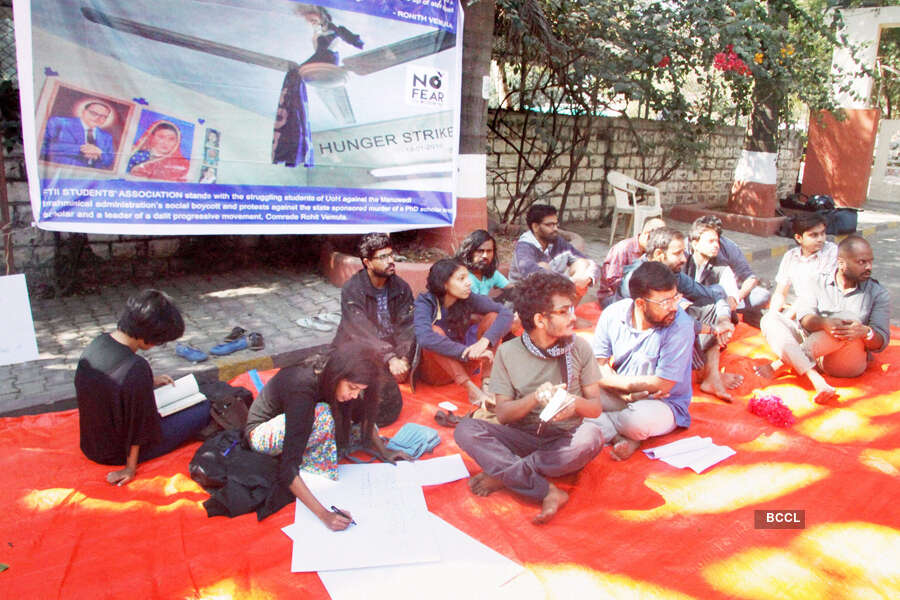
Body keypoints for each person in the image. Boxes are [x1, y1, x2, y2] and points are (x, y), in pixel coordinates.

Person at [454, 272, 609, 524]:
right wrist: (535, 398)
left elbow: (595, 408)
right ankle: (546, 490)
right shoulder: (508, 351)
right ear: (540, 319)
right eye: (563, 312)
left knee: (591, 437)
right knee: (465, 430)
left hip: (563, 440)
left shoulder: (579, 348)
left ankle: (507, 474)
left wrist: (572, 403)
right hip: (521, 436)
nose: (573, 317)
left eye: (572, 309)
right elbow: (503, 414)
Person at [245, 343, 412, 528]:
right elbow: (288, 467)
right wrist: (325, 515)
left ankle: (316, 452)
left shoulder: (335, 380)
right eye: (352, 387)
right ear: (339, 376)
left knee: (353, 422)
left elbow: (362, 418)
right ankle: (313, 468)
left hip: (302, 422)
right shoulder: (302, 388)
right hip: (262, 434)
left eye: (359, 389)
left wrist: (384, 451)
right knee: (324, 414)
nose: (355, 395)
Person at [74, 290, 210, 485]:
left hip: (91, 444)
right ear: (149, 337)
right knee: (204, 408)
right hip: (115, 453)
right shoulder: (135, 368)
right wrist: (129, 468)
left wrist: (149, 381)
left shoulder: (99, 342)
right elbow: (137, 428)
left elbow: (107, 384)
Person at [755, 236, 889, 404]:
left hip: (843, 360)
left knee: (847, 319)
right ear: (841, 263)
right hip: (812, 343)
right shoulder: (817, 281)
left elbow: (881, 340)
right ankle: (815, 377)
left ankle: (785, 362)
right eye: (862, 262)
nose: (869, 267)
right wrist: (824, 323)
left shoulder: (877, 293)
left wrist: (865, 332)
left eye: (870, 262)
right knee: (770, 318)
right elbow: (804, 318)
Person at [589, 262, 694, 460]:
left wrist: (612, 383)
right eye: (664, 302)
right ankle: (620, 436)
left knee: (636, 421)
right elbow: (597, 364)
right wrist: (624, 391)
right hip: (618, 392)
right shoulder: (613, 314)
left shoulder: (681, 325)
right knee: (572, 392)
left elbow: (662, 384)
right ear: (640, 303)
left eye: (675, 298)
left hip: (663, 402)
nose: (673, 307)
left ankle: (612, 427)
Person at [620, 228, 741, 401]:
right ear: (659, 254)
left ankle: (711, 375)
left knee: (718, 311)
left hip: (667, 326)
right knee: (679, 318)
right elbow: (654, 321)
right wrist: (709, 328)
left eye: (683, 253)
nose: (684, 259)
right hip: (642, 337)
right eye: (677, 253)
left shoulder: (673, 274)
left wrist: (722, 319)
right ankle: (697, 372)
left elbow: (714, 294)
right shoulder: (636, 278)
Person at [332, 233, 415, 425]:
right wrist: (390, 358)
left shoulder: (401, 287)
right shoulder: (352, 289)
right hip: (358, 348)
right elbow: (360, 331)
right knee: (378, 402)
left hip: (391, 352)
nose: (391, 261)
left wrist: (403, 358)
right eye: (383, 257)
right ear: (367, 262)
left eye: (391, 255)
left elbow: (407, 326)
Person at [414, 258, 513, 405]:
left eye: (467, 277)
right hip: (437, 371)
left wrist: (484, 341)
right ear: (444, 284)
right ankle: (472, 391)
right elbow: (424, 338)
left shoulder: (467, 297)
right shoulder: (425, 302)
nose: (469, 282)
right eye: (461, 279)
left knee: (494, 317)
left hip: (465, 363)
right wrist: (465, 351)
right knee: (434, 333)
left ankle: (487, 382)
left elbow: (506, 313)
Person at [688, 216, 770, 327]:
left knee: (761, 295)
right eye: (710, 241)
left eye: (716, 239)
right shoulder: (682, 255)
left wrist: (734, 299)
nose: (715, 245)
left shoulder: (725, 256)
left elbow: (748, 279)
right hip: (689, 303)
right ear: (695, 244)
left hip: (717, 300)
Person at [508, 203, 599, 301]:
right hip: (523, 298)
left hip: (553, 291)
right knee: (543, 267)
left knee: (582, 264)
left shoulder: (557, 241)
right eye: (549, 225)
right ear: (535, 227)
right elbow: (534, 274)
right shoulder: (524, 247)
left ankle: (568, 313)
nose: (555, 229)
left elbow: (589, 262)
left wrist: (587, 278)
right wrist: (570, 281)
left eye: (556, 224)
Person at [766, 212, 837, 317]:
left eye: (823, 233)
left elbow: (812, 294)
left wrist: (786, 319)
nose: (820, 239)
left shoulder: (832, 252)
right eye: (814, 235)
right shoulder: (790, 256)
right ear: (799, 238)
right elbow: (780, 292)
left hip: (824, 311)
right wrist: (772, 315)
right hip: (800, 308)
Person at [596, 216, 666, 306]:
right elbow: (613, 281)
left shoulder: (651, 250)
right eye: (655, 242)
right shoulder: (623, 249)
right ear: (646, 234)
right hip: (613, 297)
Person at [41, 99, 115, 168]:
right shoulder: (59, 123)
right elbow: (41, 147)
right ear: (83, 112)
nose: (98, 118)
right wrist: (80, 149)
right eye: (94, 113)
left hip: (91, 177)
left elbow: (109, 161)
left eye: (103, 116)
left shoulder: (106, 137)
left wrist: (100, 153)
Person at [456, 229, 511, 297]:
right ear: (469, 252)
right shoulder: (460, 275)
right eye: (480, 251)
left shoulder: (491, 272)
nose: (485, 256)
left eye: (489, 251)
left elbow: (512, 288)